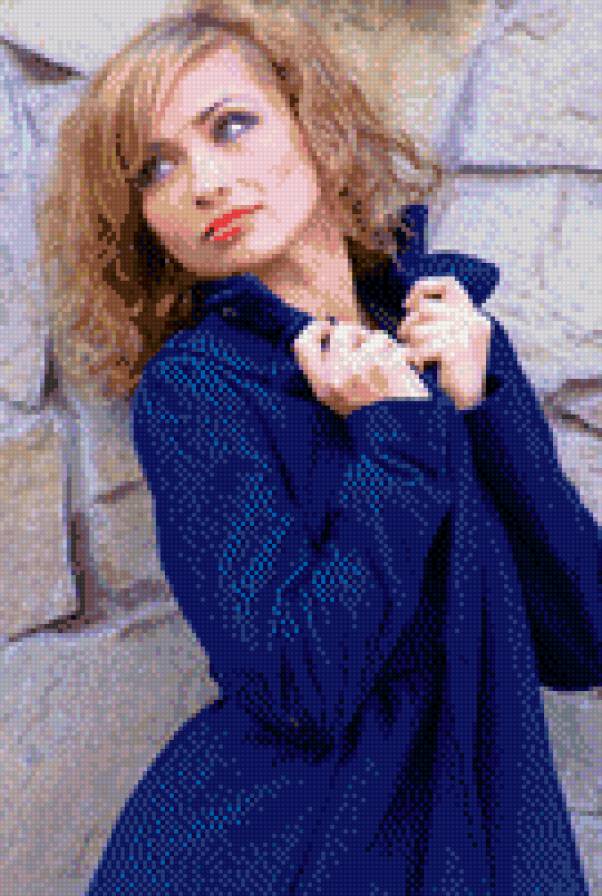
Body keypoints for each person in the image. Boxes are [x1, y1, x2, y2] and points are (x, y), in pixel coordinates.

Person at [36, 4, 601, 894]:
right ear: (143, 220)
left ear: (314, 123)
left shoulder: (443, 331)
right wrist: (396, 444)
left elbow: (583, 637)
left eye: (231, 125)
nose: (205, 183)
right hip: (298, 858)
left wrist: (485, 407)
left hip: (483, 843)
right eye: (156, 168)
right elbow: (302, 689)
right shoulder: (199, 391)